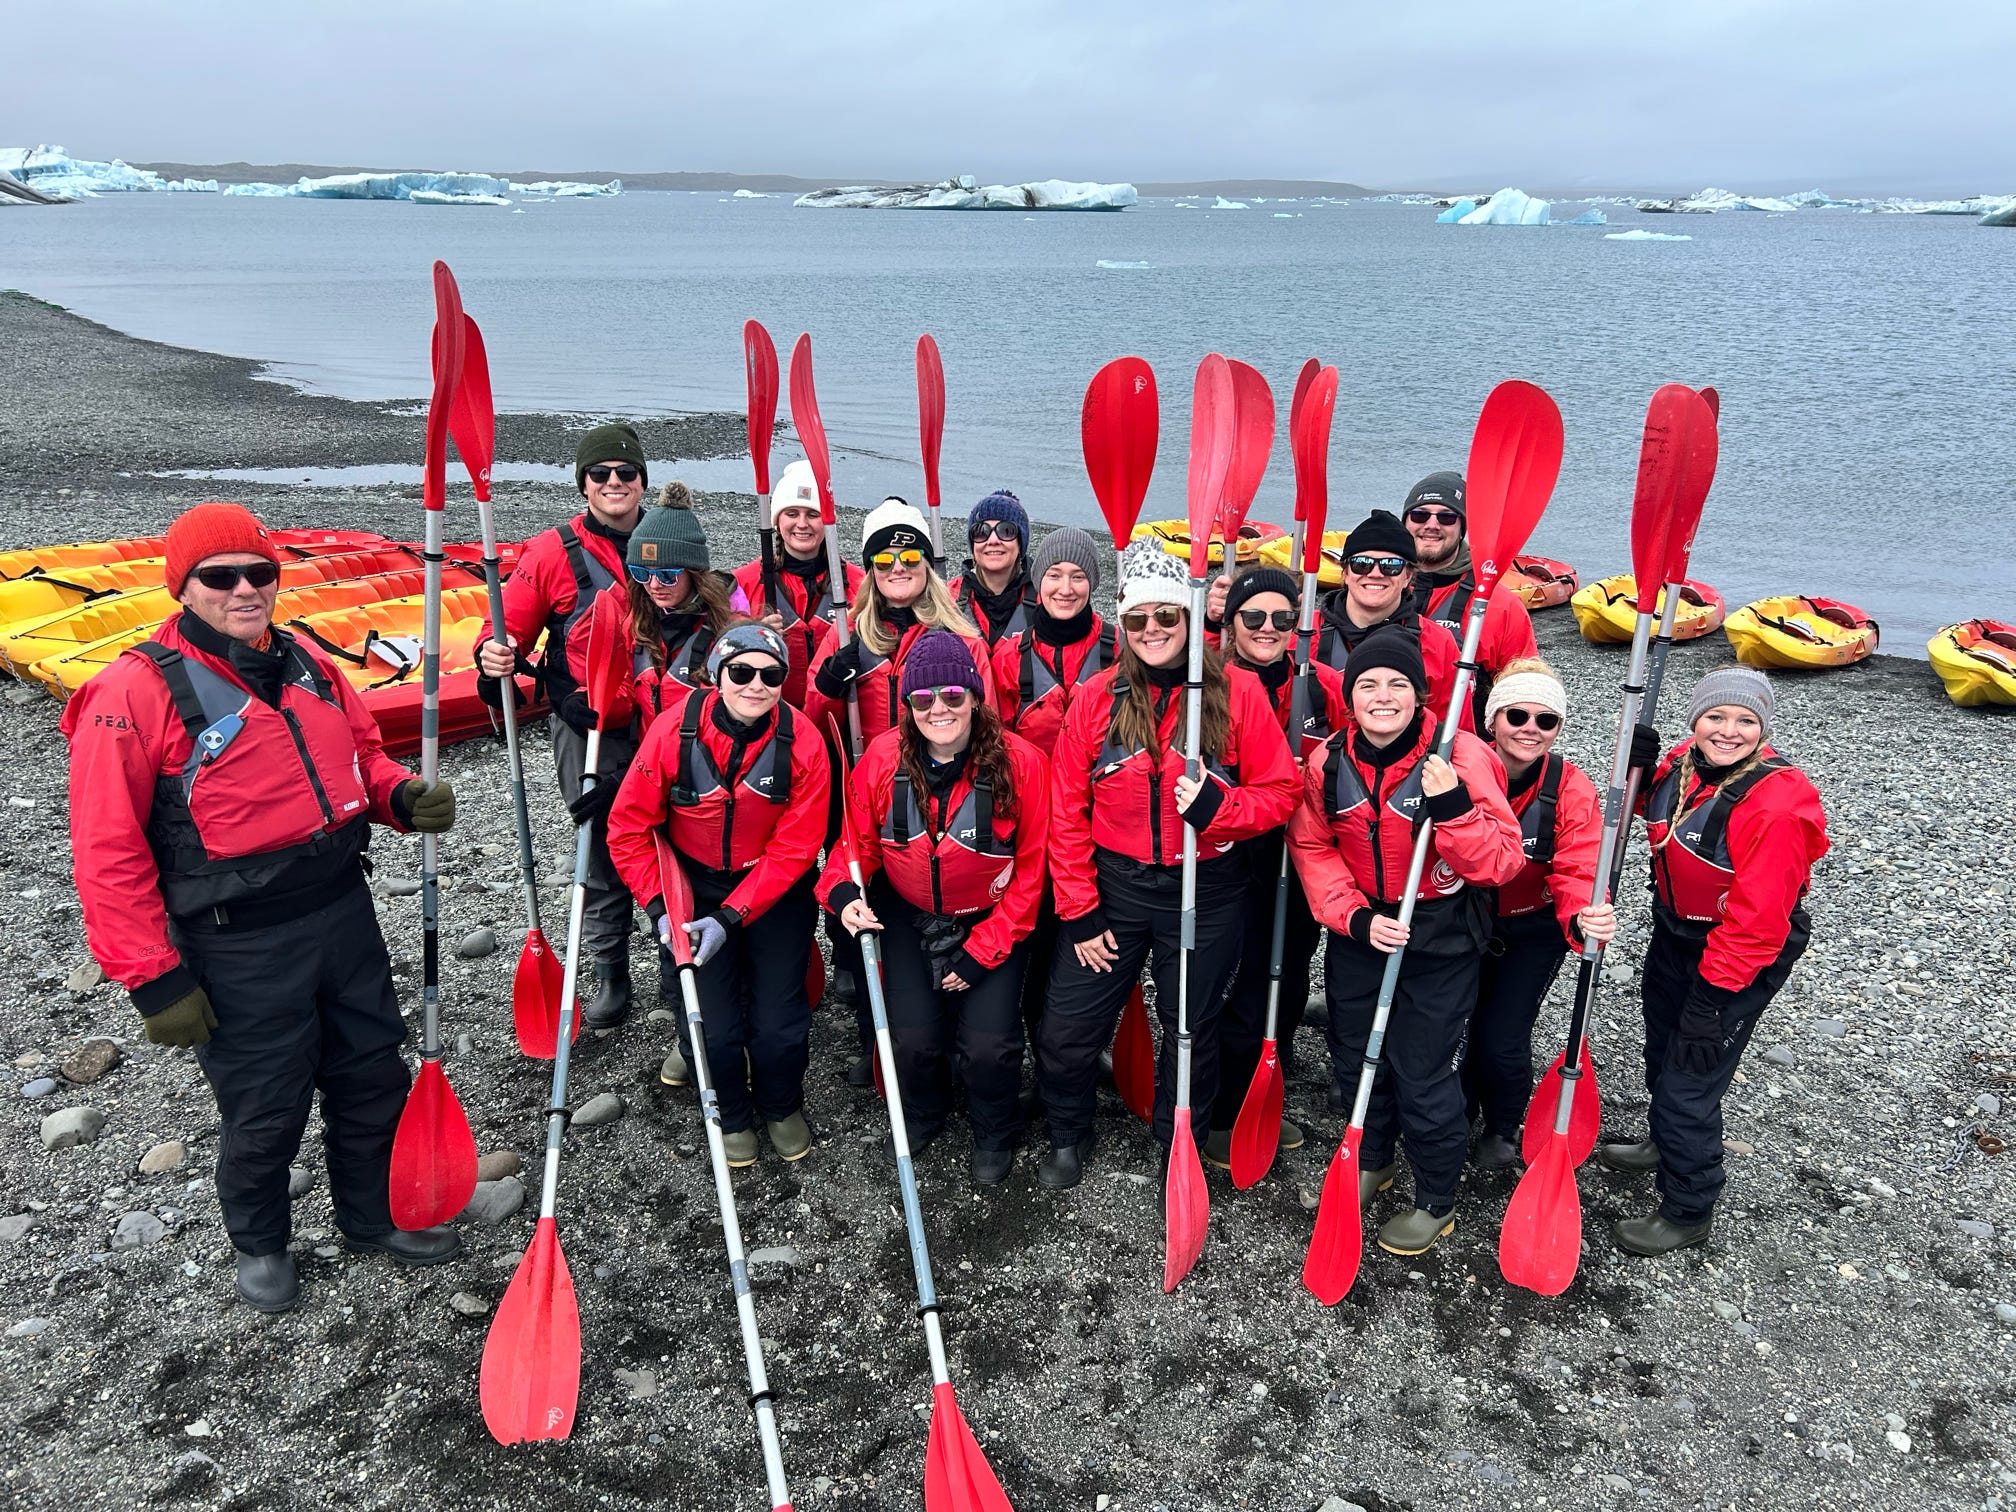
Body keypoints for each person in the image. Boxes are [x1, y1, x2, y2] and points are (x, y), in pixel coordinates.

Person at [62, 502, 461, 1313]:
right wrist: (153, 979)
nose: (245, 589)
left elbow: (359, 753)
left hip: (341, 912)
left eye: (259, 572)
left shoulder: (308, 660)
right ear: (184, 587)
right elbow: (107, 851)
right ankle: (261, 1242)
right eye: (220, 576)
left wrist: (396, 796)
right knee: (265, 1105)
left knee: (371, 1077)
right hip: (235, 942)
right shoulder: (132, 692)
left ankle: (370, 1215)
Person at [1036, 541, 1300, 1189]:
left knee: (1189, 1032)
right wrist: (1078, 909)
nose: (1153, 630)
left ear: (1188, 619)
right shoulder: (1097, 698)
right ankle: (1069, 1133)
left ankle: (1174, 1146)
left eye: (1167, 617)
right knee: (1066, 1030)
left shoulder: (1235, 692)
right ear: (1121, 626)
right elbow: (1065, 813)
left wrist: (1220, 806)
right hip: (1114, 890)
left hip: (1205, 890)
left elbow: (1280, 792)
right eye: (1137, 620)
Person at [1288, 625, 1524, 1256]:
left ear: (1421, 696)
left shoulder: (1463, 757)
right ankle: (1374, 1160)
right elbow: (1313, 847)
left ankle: (1436, 1198)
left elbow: (1501, 863)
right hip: (1362, 927)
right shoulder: (1327, 760)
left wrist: (1452, 812)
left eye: (1398, 684)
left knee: (1421, 1069)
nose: (1383, 696)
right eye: (1368, 684)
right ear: (1350, 697)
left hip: (1439, 933)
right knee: (1354, 1053)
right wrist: (1354, 917)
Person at [1597, 667, 1828, 1255]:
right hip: (1678, 931)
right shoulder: (1684, 765)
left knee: (1688, 1081)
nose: (1728, 731)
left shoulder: (1776, 806)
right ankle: (1662, 1141)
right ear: (1695, 721)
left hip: (1741, 951)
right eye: (1715, 717)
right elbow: (1645, 807)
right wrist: (1639, 769)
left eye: (1745, 721)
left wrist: (1711, 1000)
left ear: (1764, 728)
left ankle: (1688, 1207)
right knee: (1660, 1042)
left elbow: (1757, 923)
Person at [820, 632, 1050, 1186]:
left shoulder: (1024, 764)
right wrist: (845, 894)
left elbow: (1031, 873)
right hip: (908, 913)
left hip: (992, 920)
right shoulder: (880, 759)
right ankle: (924, 1110)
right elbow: (855, 847)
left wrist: (981, 953)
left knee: (990, 1044)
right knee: (912, 1039)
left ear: (974, 697)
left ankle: (995, 1127)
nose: (937, 709)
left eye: (951, 696)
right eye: (922, 700)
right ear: (908, 707)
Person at [606, 624, 831, 1166]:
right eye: (742, 672)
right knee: (714, 1024)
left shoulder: (803, 743)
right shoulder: (671, 733)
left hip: (773, 890)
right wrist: (661, 908)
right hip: (693, 888)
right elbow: (629, 828)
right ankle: (731, 1112)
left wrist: (732, 917)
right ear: (717, 674)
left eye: (771, 675)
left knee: (779, 1023)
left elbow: (798, 848)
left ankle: (780, 1104)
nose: (756, 685)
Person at [475, 423, 651, 1028]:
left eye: (625, 474)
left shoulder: (667, 540)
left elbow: (717, 611)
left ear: (641, 481)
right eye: (600, 475)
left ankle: (684, 955)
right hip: (586, 726)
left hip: (662, 724)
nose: (613, 484)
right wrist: (489, 656)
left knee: (673, 832)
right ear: (583, 483)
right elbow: (505, 633)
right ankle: (610, 972)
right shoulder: (551, 553)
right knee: (598, 842)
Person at [1201, 566, 1349, 1167]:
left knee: (1286, 982)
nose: (1268, 628)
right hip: (1231, 855)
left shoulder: (1323, 684)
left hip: (1301, 854)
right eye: (1253, 617)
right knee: (1233, 986)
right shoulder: (1207, 684)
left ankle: (1268, 1094)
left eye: (1282, 619)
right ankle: (1218, 1113)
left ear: (1297, 624)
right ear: (1231, 622)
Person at [1458, 658, 1614, 1169]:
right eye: (1517, 716)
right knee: (1457, 1025)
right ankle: (1458, 1106)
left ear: (1559, 729)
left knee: (1502, 1036)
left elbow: (1579, 864)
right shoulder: (1461, 767)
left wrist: (1582, 916)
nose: (1530, 729)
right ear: (1492, 720)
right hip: (1461, 921)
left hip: (1533, 928)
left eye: (1546, 720)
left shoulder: (1568, 786)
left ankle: (1503, 1126)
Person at [990, 527, 1114, 1038]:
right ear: (1037, 583)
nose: (1066, 588)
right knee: (1034, 935)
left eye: (1079, 576)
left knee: (1089, 935)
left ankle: (1078, 1037)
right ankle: (1025, 1027)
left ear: (1093, 584)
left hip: (1099, 824)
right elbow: (989, 747)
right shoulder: (1008, 657)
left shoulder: (1120, 649)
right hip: (1030, 824)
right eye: (1055, 575)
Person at [804, 496, 995, 748]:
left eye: (910, 558)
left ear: (926, 565)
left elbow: (988, 729)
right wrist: (829, 685)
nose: (897, 568)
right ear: (872, 572)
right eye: (883, 561)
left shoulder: (962, 640)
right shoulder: (845, 634)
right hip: (867, 776)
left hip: (937, 780)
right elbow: (813, 728)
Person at [582, 485, 748, 735]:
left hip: (707, 760)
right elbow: (625, 689)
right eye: (642, 573)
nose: (654, 585)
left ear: (694, 574)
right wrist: (585, 699)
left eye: (668, 575)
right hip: (654, 757)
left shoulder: (731, 630)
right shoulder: (637, 623)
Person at [1398, 471, 1538, 728]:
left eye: (1446, 517)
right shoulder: (1380, 588)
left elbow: (1525, 692)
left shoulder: (1499, 605)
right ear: (1405, 522)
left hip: (1463, 747)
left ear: (1463, 526)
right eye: (1419, 515)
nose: (1431, 525)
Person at [1307, 510, 1462, 727]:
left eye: (1391, 565)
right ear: (1345, 573)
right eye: (1362, 563)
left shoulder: (1439, 644)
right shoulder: (1302, 632)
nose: (1375, 573)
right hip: (1315, 758)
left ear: (1408, 576)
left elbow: (1457, 732)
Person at [730, 458, 864, 709]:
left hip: (837, 720)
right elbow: (720, 651)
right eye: (792, 513)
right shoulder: (742, 584)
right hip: (769, 716)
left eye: (813, 514)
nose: (802, 524)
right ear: (777, 522)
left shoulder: (859, 585)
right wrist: (751, 634)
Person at [948, 490, 1038, 646]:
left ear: (1020, 543)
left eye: (1006, 531)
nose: (993, 540)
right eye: (981, 532)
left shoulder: (1044, 600)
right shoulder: (948, 599)